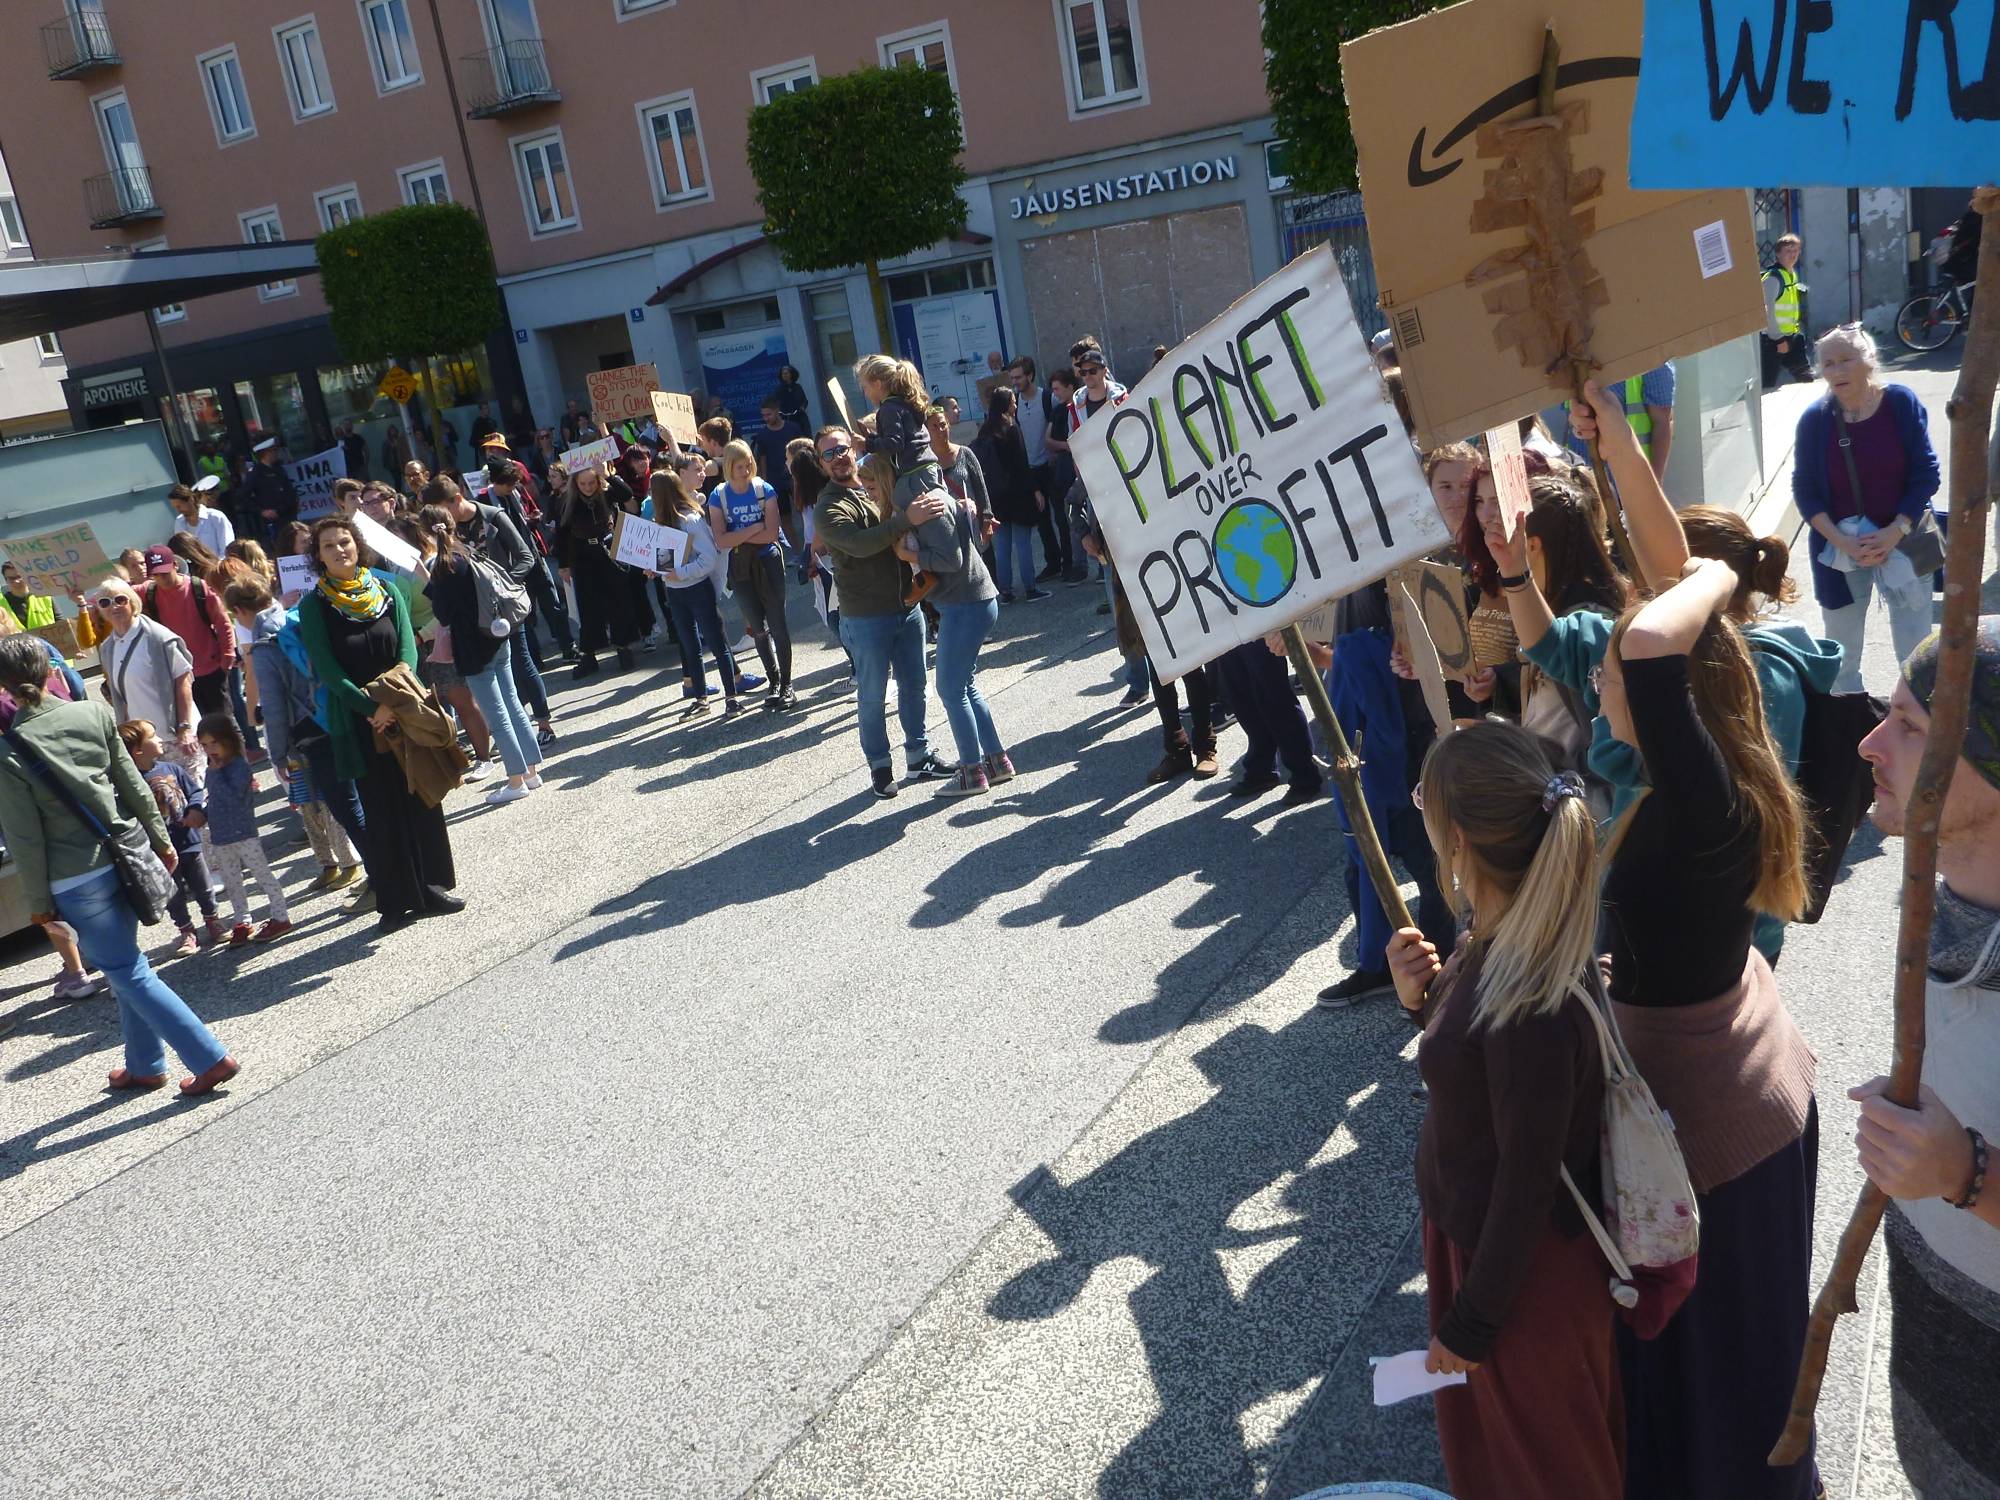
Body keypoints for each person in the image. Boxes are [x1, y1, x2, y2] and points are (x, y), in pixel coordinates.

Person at [1594, 558, 1819, 1500]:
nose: (1599, 684)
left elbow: (1650, 647)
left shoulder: (1701, 805)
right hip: (1742, 1094)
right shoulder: (1700, 791)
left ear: (1664, 700)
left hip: (1718, 1134)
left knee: (1725, 1367)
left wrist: (1719, 571)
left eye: (1604, 673)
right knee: (1736, 1351)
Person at [1384, 721, 1619, 1500]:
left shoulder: (1527, 998)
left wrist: (1474, 1322)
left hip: (1520, 1279)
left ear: (1455, 840)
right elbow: (1486, 1078)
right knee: (1505, 1459)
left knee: (1544, 1473)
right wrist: (1423, 1004)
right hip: (1484, 1250)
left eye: (1422, 799)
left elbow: (1529, 1179)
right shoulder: (1503, 933)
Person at [1849, 620, 2000, 1500]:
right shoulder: (1940, 925)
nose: (1871, 743)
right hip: (1939, 1364)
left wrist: (1967, 1172)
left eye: (1910, 726)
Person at [0, 635, 239, 1096]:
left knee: (127, 969)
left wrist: (38, 904)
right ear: (51, 670)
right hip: (125, 854)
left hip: (74, 874)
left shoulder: (11, 748)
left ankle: (210, 1057)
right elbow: (131, 780)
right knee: (125, 963)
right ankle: (145, 1063)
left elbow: (24, 836)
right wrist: (159, 839)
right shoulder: (92, 713)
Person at [296, 516, 461, 935]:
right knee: (381, 807)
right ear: (318, 556)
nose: (339, 550)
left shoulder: (386, 590)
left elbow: (407, 645)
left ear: (359, 545)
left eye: (345, 542)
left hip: (404, 710)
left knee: (422, 795)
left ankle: (431, 887)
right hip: (361, 721)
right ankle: (395, 900)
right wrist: (372, 708)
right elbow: (329, 670)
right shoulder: (314, 606)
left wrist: (396, 698)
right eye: (329, 546)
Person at [1792, 323, 1941, 694]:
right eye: (1829, 363)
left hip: (1904, 542)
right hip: (1840, 550)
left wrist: (1895, 531)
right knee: (1841, 659)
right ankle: (1850, 736)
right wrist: (1842, 541)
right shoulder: (1815, 420)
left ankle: (1919, 734)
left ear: (1869, 359)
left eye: (1847, 360)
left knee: (1916, 655)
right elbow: (1805, 489)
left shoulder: (1901, 404)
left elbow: (1926, 473)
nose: (1837, 371)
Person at [812, 428, 952, 797]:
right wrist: (908, 518)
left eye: (843, 448)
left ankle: (919, 757)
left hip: (906, 605)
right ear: (821, 463)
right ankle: (879, 766)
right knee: (872, 695)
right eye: (830, 454)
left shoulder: (876, 482)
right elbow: (861, 545)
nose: (839, 456)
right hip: (865, 616)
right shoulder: (828, 507)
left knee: (915, 686)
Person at [224, 579, 364, 894]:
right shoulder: (297, 617)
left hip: (306, 731)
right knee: (341, 800)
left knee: (331, 804)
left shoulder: (265, 643)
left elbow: (273, 710)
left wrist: (276, 753)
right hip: (334, 716)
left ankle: (364, 870)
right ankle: (352, 867)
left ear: (240, 611)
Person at [890, 449, 1012, 798]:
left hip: (965, 606)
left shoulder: (929, 505)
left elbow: (949, 559)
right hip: (974, 602)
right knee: (966, 685)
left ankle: (972, 772)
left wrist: (908, 555)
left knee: (950, 689)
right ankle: (997, 761)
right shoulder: (938, 495)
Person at [420, 505, 543, 807]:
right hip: (496, 636)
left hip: (472, 647)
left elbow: (443, 614)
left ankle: (515, 780)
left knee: (496, 715)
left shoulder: (442, 565)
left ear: (425, 532)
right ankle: (530, 771)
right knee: (512, 703)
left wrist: (425, 576)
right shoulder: (467, 552)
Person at [430, 473, 555, 747]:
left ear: (458, 499)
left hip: (504, 607)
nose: (442, 519)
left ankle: (544, 723)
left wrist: (503, 585)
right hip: (474, 616)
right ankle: (511, 733)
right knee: (493, 676)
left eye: (444, 510)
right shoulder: (446, 532)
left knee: (522, 663)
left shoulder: (492, 516)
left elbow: (526, 557)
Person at [118, 719, 222, 957]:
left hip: (189, 841)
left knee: (203, 886)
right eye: (153, 737)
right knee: (174, 895)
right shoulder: (128, 783)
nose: (159, 740)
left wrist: (196, 809)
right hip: (160, 851)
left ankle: (213, 920)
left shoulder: (171, 769)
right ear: (138, 750)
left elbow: (194, 790)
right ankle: (186, 931)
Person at [709, 439, 795, 711]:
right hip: (740, 567)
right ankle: (773, 680)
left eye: (748, 465)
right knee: (757, 628)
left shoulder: (763, 490)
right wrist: (753, 529)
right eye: (739, 467)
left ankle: (787, 685)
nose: (745, 472)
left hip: (767, 562)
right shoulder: (719, 495)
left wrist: (740, 536)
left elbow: (772, 534)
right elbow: (720, 540)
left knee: (778, 625)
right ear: (729, 468)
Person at [651, 459, 741, 718]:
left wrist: (682, 573)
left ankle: (731, 697)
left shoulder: (690, 520)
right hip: (676, 592)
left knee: (716, 642)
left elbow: (709, 557)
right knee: (690, 645)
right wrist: (655, 568)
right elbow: (666, 561)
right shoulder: (662, 523)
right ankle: (701, 699)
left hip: (697, 589)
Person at [193, 710, 291, 944]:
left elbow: (235, 795)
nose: (210, 750)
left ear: (228, 740)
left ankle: (281, 916)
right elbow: (215, 799)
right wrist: (202, 814)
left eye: (214, 743)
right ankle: (242, 921)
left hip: (243, 834)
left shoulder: (238, 766)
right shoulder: (211, 769)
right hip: (221, 836)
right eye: (204, 745)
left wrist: (217, 774)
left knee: (262, 875)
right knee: (232, 882)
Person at [92, 578, 200, 789]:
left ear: (132, 602)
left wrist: (185, 728)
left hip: (176, 735)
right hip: (145, 743)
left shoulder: (158, 637)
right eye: (105, 602)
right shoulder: (108, 647)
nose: (113, 606)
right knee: (168, 803)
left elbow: (183, 681)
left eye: (119, 599)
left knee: (195, 797)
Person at [555, 461, 641, 680]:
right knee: (588, 606)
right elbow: (562, 534)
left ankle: (623, 647)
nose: (588, 487)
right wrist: (564, 564)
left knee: (618, 600)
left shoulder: (607, 492)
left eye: (591, 482)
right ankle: (589, 655)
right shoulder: (567, 501)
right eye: (583, 483)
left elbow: (626, 494)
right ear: (575, 482)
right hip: (583, 556)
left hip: (608, 550)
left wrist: (608, 476)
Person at [139, 543, 235, 718]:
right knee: (196, 725)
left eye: (166, 572)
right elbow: (116, 593)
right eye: (157, 575)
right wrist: (83, 601)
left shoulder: (198, 587)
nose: (162, 578)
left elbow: (223, 622)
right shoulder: (149, 591)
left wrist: (227, 656)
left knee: (224, 721)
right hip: (179, 674)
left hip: (210, 668)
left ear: (175, 565)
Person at [976, 388, 1048, 604]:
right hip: (1018, 493)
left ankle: (1004, 590)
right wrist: (1035, 490)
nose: (1015, 406)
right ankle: (1030, 588)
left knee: (1003, 545)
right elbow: (1022, 464)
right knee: (1023, 542)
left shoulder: (985, 431)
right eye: (1013, 402)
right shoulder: (1011, 428)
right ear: (1006, 404)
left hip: (996, 495)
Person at [854, 354, 943, 512]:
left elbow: (894, 443)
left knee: (905, 511)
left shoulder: (888, 409)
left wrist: (866, 444)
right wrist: (873, 438)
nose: (865, 393)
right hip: (928, 469)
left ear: (878, 384)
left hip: (913, 476)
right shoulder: (904, 402)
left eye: (865, 388)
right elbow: (903, 438)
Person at [1565, 362, 1674, 480]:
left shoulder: (1650, 358)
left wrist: (1654, 483)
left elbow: (1662, 423)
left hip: (1632, 478)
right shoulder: (1571, 362)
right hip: (1581, 473)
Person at [753, 397, 808, 553]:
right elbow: (762, 458)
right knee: (784, 519)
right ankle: (798, 553)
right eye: (763, 415)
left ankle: (812, 547)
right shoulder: (762, 435)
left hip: (795, 478)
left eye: (769, 414)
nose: (766, 418)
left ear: (777, 411)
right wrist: (763, 481)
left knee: (805, 512)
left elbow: (803, 451)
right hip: (775, 481)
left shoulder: (793, 428)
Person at [1761, 234, 1812, 389]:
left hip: (1791, 337)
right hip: (1773, 341)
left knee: (1806, 379)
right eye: (1788, 250)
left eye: (1796, 250)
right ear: (1778, 253)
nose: (1793, 254)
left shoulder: (1791, 274)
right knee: (1767, 386)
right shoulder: (1773, 278)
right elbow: (1766, 311)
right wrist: (1778, 340)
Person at [241, 435, 300, 544]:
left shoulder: (278, 469)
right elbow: (244, 497)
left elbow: (288, 490)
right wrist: (261, 511)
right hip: (274, 519)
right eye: (273, 450)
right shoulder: (256, 473)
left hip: (288, 513)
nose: (276, 453)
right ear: (266, 453)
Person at [171, 477, 236, 557]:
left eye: (179, 506)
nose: (178, 510)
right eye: (175, 507)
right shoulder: (179, 521)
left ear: (191, 500)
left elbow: (227, 547)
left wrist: (219, 567)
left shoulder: (216, 517)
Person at [0, 561, 54, 630]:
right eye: (11, 578)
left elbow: (61, 624)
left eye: (19, 577)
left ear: (27, 576)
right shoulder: (1, 604)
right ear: (6, 580)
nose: (16, 581)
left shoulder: (45, 597)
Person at [772, 364, 811, 431]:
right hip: (786, 418)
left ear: (791, 374)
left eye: (787, 373)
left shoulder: (798, 387)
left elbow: (804, 400)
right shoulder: (779, 389)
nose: (785, 375)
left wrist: (802, 407)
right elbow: (775, 403)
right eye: (783, 374)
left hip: (799, 416)